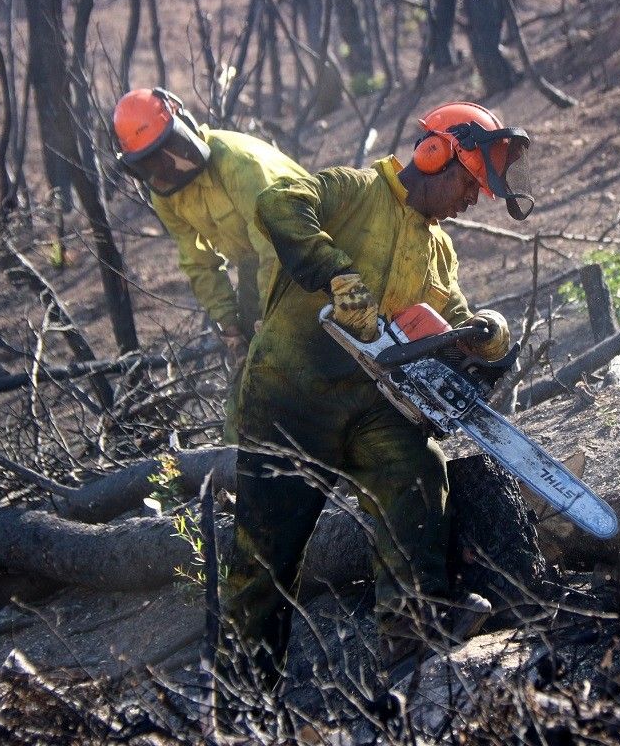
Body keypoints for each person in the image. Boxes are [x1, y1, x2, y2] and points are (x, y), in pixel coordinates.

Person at [219, 101, 533, 701]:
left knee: (416, 469)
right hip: (292, 395)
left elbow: (449, 320)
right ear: (434, 154)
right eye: (470, 184)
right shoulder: (353, 190)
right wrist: (334, 271)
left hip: (372, 403)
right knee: (265, 556)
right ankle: (242, 698)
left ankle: (409, 633)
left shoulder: (439, 250)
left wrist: (484, 332)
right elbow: (277, 203)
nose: (473, 200)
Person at [112, 88, 313, 441]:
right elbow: (198, 262)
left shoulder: (238, 162)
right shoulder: (167, 195)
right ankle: (240, 470)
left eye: (170, 149)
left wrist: (269, 317)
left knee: (293, 357)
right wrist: (230, 326)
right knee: (247, 387)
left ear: (183, 123)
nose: (168, 166)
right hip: (259, 264)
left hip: (308, 244)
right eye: (153, 161)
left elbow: (275, 243)